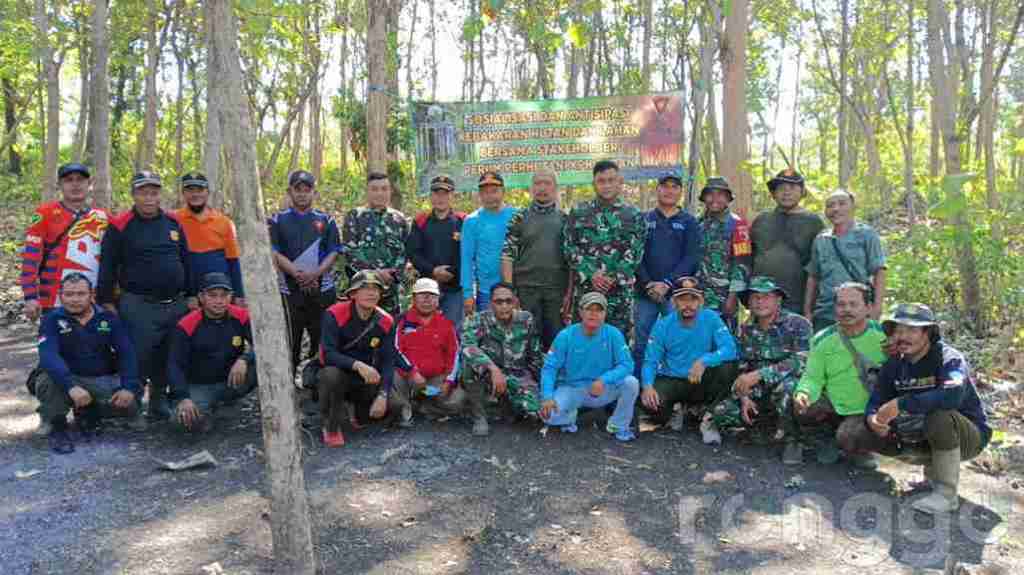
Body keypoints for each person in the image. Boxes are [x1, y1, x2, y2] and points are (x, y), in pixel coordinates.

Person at [854, 303, 990, 514]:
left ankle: (946, 494)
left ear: (928, 333)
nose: (903, 336)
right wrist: (873, 418)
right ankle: (931, 475)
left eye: (912, 330)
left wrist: (901, 403)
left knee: (939, 415)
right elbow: (876, 400)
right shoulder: (894, 364)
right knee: (857, 432)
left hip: (967, 437)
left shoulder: (949, 358)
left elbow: (952, 395)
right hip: (919, 433)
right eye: (899, 330)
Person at [97, 171, 192, 420]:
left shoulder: (173, 222)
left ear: (160, 194)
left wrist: (191, 295)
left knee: (168, 354)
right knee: (137, 355)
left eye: (153, 192)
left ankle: (158, 402)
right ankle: (133, 406)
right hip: (138, 304)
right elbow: (107, 266)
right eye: (143, 192)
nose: (149, 198)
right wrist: (106, 300)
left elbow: (187, 260)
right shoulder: (120, 225)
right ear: (134, 195)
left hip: (175, 303)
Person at [707, 276, 812, 462]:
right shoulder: (746, 328)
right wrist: (744, 396)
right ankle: (764, 427)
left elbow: (802, 360)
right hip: (757, 390)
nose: (759, 301)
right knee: (721, 413)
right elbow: (741, 367)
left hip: (786, 385)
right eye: (755, 297)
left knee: (789, 389)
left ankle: (793, 440)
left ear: (778, 299)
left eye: (766, 296)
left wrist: (760, 374)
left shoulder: (798, 324)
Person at [35, 273, 140, 454]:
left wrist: (129, 387)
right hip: (69, 379)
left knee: (129, 405)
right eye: (69, 294)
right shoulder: (51, 319)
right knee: (47, 380)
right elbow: (48, 355)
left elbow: (127, 353)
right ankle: (56, 424)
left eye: (80, 294)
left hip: (100, 378)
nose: (74, 299)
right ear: (61, 296)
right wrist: (71, 386)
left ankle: (90, 411)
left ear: (91, 295)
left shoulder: (108, 318)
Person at [791, 282, 888, 466]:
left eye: (853, 304)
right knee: (800, 404)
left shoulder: (884, 338)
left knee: (850, 436)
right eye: (841, 305)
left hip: (865, 409)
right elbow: (812, 376)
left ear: (868, 308)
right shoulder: (823, 339)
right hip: (833, 403)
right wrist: (803, 393)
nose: (846, 310)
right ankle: (825, 438)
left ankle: (859, 448)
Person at [317, 271, 413, 447]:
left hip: (365, 379)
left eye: (375, 289)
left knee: (395, 406)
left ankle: (354, 410)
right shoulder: (334, 313)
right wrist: (357, 365)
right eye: (365, 288)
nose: (371, 293)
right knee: (331, 375)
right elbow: (327, 354)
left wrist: (383, 395)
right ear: (353, 294)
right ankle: (330, 424)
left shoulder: (385, 320)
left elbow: (388, 359)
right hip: (337, 372)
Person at [639, 277, 738, 445]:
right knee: (649, 402)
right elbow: (650, 360)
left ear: (701, 301)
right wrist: (647, 386)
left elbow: (730, 349)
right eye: (682, 299)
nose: (688, 304)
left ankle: (709, 419)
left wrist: (704, 361)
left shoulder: (711, 318)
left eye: (693, 299)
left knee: (728, 367)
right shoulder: (664, 324)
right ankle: (677, 410)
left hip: (701, 378)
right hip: (674, 379)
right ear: (674, 301)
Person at [539, 291, 640, 442]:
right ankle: (570, 415)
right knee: (549, 416)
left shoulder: (613, 334)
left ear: (605, 313)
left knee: (631, 383)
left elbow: (627, 364)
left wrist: (603, 380)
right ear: (580, 312)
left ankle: (618, 425)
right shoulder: (566, 335)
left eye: (599, 310)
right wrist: (547, 396)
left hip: (602, 388)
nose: (594, 314)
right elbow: (550, 368)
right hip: (572, 389)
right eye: (589, 309)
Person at [562, 160, 646, 341]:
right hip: (587, 291)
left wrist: (612, 277)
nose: (606, 185)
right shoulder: (579, 212)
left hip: (619, 294)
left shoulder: (633, 214)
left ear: (619, 182)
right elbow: (570, 248)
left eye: (611, 180)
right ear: (594, 183)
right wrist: (592, 274)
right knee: (584, 342)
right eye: (601, 181)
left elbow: (636, 252)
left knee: (618, 342)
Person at [268, 170, 340, 372]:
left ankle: (315, 382)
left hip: (322, 290)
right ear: (289, 192)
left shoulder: (327, 220)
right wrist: (297, 274)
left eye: (306, 190)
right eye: (297, 189)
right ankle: (288, 383)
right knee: (290, 339)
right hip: (289, 290)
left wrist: (315, 274)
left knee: (322, 339)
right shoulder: (276, 220)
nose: (302, 194)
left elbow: (334, 252)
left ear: (314, 193)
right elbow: (274, 251)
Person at [167, 272, 257, 433]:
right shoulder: (186, 324)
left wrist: (244, 358)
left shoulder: (242, 316)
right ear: (201, 297)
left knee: (263, 365)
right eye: (212, 295)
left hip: (232, 379)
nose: (219, 301)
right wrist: (183, 397)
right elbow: (174, 364)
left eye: (224, 295)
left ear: (231, 296)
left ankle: (227, 403)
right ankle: (209, 410)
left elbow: (263, 346)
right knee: (180, 423)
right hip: (199, 385)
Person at [21, 162, 110, 320]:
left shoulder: (103, 217)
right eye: (69, 180)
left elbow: (114, 260)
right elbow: (30, 258)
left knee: (94, 345)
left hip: (93, 301)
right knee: (54, 345)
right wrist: (30, 297)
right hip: (54, 302)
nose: (75, 184)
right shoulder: (45, 214)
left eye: (80, 180)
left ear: (89, 184)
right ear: (59, 185)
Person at [633, 172, 701, 379]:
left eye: (674, 187)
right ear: (657, 190)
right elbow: (635, 254)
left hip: (676, 295)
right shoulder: (643, 219)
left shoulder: (689, 222)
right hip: (645, 294)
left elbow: (691, 258)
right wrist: (648, 284)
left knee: (677, 340)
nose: (669, 191)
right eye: (665, 186)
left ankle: (675, 389)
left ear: (680, 191)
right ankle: (641, 387)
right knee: (643, 342)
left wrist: (666, 283)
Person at [462, 282, 544, 433]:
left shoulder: (526, 320)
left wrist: (542, 387)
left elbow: (535, 355)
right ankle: (479, 416)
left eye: (508, 301)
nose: (504, 306)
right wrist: (493, 369)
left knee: (536, 411)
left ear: (515, 302)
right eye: (499, 302)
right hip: (488, 375)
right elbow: (468, 346)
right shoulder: (478, 320)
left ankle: (507, 406)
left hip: (517, 374)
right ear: (491, 303)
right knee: (468, 363)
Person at [501, 169, 569, 350]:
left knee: (556, 339)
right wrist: (509, 293)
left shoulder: (565, 219)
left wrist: (569, 293)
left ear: (555, 188)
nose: (542, 188)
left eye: (547, 183)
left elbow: (572, 261)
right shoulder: (519, 217)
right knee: (526, 338)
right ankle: (528, 377)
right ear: (532, 188)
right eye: (538, 183)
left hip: (556, 290)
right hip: (526, 290)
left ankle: (554, 377)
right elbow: (507, 256)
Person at [804, 189, 887, 332]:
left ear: (853, 207)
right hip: (825, 312)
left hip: (857, 311)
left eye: (842, 204)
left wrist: (877, 308)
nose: (836, 209)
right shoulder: (821, 239)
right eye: (830, 205)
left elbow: (879, 271)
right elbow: (813, 277)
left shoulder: (866, 234)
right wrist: (807, 311)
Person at [388, 278, 463, 428]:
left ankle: (424, 405)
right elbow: (394, 349)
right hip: (407, 376)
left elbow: (455, 355)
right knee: (390, 380)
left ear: (438, 300)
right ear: (414, 298)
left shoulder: (447, 325)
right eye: (422, 295)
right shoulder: (401, 321)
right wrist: (412, 372)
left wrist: (448, 382)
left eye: (432, 296)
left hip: (435, 377)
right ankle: (404, 410)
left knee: (458, 401)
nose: (427, 300)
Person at [750, 168, 824, 317]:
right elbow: (748, 257)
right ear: (773, 193)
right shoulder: (761, 220)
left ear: (802, 192)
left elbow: (818, 266)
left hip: (796, 301)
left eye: (792, 188)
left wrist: (809, 307)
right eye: (781, 188)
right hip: (762, 299)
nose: (786, 192)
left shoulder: (813, 222)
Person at [342, 171, 410, 317]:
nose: (380, 193)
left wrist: (393, 274)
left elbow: (405, 252)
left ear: (390, 191)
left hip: (391, 290)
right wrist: (376, 274)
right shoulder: (355, 216)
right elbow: (350, 251)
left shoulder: (399, 219)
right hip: (363, 289)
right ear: (367, 191)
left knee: (389, 331)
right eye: (375, 189)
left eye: (384, 189)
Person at [175, 171, 245, 308]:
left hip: (219, 291)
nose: (195, 194)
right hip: (187, 293)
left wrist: (239, 295)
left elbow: (233, 261)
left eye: (200, 190)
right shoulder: (174, 220)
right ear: (183, 193)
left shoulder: (223, 222)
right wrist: (188, 294)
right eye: (190, 190)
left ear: (207, 192)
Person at [407, 174, 465, 328]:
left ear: (452, 196)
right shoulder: (420, 220)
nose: (440, 198)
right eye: (436, 193)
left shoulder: (463, 221)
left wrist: (451, 272)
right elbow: (413, 253)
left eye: (445, 193)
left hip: (454, 287)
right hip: (426, 286)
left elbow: (467, 254)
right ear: (430, 196)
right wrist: (433, 271)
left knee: (453, 331)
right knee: (424, 329)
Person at [695, 176, 752, 330]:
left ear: (728, 199)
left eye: (720, 194)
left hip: (724, 295)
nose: (714, 199)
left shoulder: (737, 224)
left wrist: (733, 297)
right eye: (710, 194)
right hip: (698, 294)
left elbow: (742, 263)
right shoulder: (698, 223)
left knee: (725, 338)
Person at [461, 171, 516, 315]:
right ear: (479, 195)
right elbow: (467, 260)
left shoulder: (516, 216)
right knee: (487, 335)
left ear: (503, 192)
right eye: (485, 192)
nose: (490, 196)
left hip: (514, 289)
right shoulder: (471, 221)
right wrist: (468, 294)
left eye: (494, 191)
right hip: (486, 292)